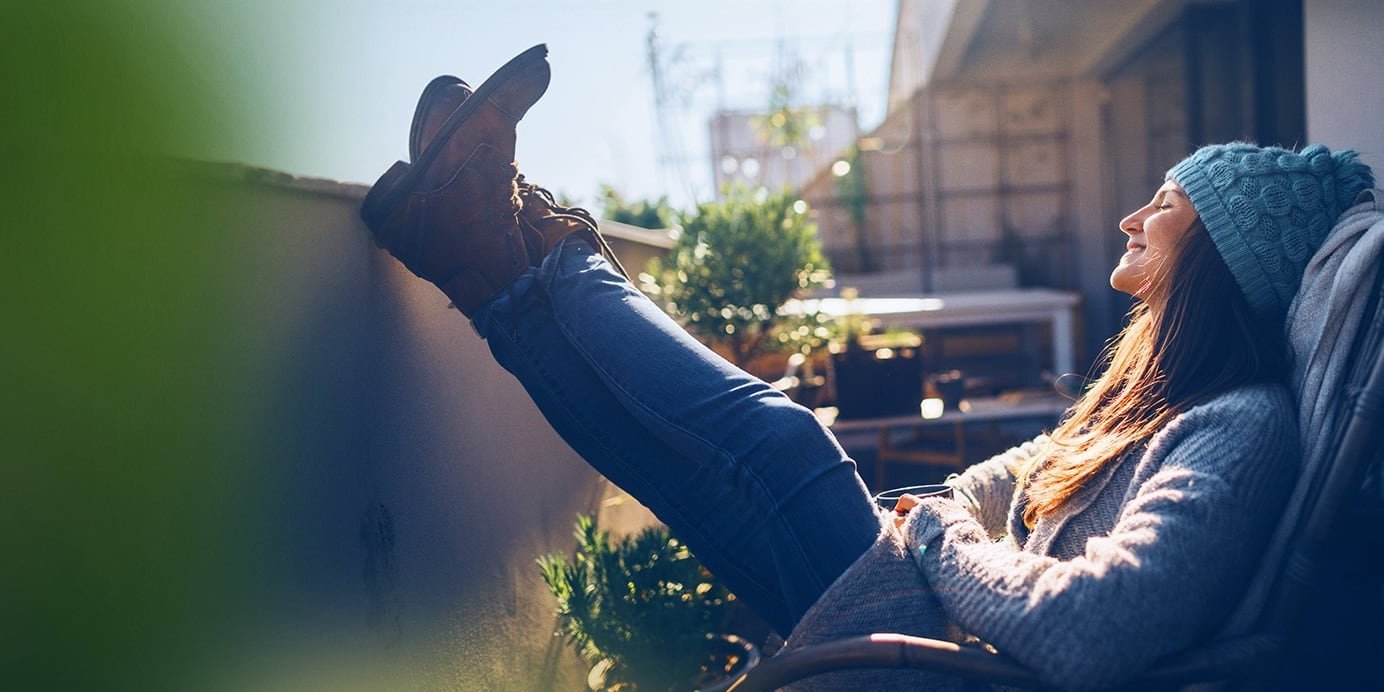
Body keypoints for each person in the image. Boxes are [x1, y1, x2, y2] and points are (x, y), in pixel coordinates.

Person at [359, 46, 1375, 690]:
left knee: (782, 437)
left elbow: (1091, 630)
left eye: (1165, 203)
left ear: (1221, 251)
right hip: (945, 632)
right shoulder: (1154, 407)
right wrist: (937, 508)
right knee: (701, 472)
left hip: (957, 662)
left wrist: (935, 540)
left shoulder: (1239, 428)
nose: (1132, 215)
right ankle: (487, 264)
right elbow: (1010, 475)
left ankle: (526, 246)